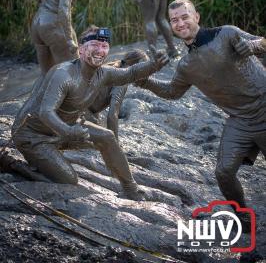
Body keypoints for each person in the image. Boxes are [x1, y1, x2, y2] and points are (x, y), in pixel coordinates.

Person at [136, 0, 266, 226]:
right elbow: (171, 91)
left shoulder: (227, 33)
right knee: (224, 172)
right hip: (241, 121)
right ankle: (244, 218)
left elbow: (263, 43)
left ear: (196, 17)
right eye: (174, 20)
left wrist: (255, 47)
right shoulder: (186, 65)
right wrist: (145, 81)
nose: (180, 23)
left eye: (185, 16)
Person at [12, 26, 168, 200]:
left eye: (104, 46)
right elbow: (45, 112)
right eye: (95, 45)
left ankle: (130, 188)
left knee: (107, 137)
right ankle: (13, 164)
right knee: (68, 180)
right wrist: (68, 131)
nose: (100, 51)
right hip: (33, 135)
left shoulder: (104, 73)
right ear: (81, 48)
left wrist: (154, 65)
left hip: (67, 126)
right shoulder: (63, 74)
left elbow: (131, 73)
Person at [83, 48, 149, 140]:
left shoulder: (113, 66)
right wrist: (115, 143)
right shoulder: (122, 79)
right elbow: (112, 114)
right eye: (146, 70)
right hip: (79, 111)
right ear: (137, 67)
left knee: (96, 123)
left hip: (77, 108)